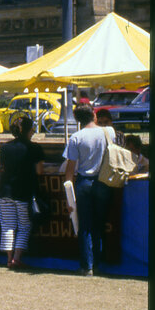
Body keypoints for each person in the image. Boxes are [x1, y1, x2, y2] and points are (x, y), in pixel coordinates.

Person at [0, 114, 52, 269]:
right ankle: (17, 257)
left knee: (7, 225)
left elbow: (1, 167)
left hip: (5, 190)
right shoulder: (34, 148)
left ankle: (8, 258)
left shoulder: (5, 147)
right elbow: (39, 170)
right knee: (24, 225)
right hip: (24, 191)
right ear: (30, 130)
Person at [63, 104, 109, 275]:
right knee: (99, 224)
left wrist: (69, 199)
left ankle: (87, 265)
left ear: (77, 119)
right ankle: (98, 262)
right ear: (94, 115)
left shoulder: (76, 137)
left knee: (85, 225)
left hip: (83, 182)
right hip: (103, 181)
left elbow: (69, 172)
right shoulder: (107, 133)